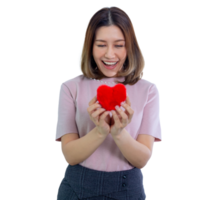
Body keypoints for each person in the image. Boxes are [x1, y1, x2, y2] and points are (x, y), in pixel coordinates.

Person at [54, 5, 163, 200]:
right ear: (90, 46)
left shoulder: (149, 90)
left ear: (129, 47)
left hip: (128, 188)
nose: (109, 54)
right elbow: (69, 156)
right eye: (101, 44)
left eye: (119, 45)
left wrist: (119, 133)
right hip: (75, 188)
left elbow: (143, 160)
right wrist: (100, 131)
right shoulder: (69, 87)